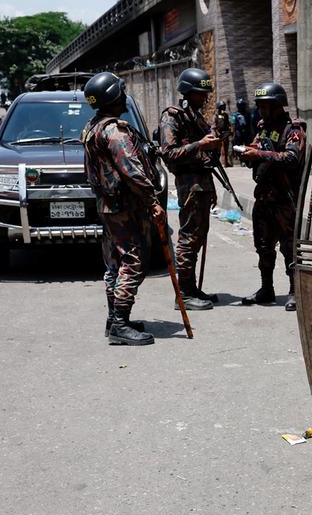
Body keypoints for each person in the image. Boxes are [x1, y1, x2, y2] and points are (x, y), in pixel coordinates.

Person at [81, 71, 162, 346]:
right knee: (134, 260)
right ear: (113, 97)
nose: (125, 96)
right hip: (124, 206)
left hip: (107, 204)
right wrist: (152, 201)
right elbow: (132, 171)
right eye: (121, 92)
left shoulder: (93, 126)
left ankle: (114, 318)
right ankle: (119, 324)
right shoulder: (114, 130)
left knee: (114, 262)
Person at [157, 67, 223, 311]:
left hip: (202, 183)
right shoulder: (172, 117)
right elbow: (168, 152)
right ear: (187, 92)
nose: (204, 98)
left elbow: (206, 155)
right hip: (189, 185)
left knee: (198, 237)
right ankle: (183, 293)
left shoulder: (194, 116)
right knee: (188, 238)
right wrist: (200, 144)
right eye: (199, 94)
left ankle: (192, 288)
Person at [238, 82, 306, 312]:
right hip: (264, 197)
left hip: (285, 198)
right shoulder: (263, 128)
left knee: (289, 247)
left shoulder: (293, 130)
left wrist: (261, 154)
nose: (261, 111)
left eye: (265, 106)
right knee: (264, 246)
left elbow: (291, 158)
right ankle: (266, 288)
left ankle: (294, 291)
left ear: (277, 105)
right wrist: (249, 155)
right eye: (259, 107)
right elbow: (257, 149)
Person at [231, 98, 251, 164]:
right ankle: (241, 160)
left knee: (247, 145)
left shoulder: (248, 114)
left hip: (247, 131)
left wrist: (252, 132)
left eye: (242, 105)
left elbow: (250, 123)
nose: (242, 107)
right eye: (240, 105)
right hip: (238, 132)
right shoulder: (235, 115)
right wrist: (233, 135)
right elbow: (233, 125)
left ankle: (247, 159)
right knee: (239, 146)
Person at [213, 101, 232, 167]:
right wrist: (217, 133)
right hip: (219, 134)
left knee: (225, 148)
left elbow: (227, 123)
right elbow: (214, 126)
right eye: (223, 106)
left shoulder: (225, 115)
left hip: (225, 133)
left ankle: (225, 162)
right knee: (220, 149)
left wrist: (230, 130)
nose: (224, 107)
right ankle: (221, 163)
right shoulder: (216, 115)